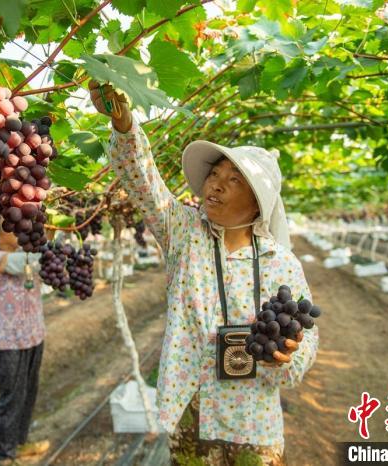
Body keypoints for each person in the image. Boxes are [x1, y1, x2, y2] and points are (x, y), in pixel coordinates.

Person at [89, 81, 319, 466]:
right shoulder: (184, 234)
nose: (216, 184)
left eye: (234, 180)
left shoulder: (281, 263)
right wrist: (125, 125)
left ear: (258, 203)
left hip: (253, 423)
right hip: (191, 417)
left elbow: (305, 345)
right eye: (216, 174)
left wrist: (286, 356)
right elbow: (143, 184)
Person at [0, 230, 49, 465]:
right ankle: (6, 455)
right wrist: (48, 247)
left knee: (29, 393)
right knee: (11, 397)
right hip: (9, 342)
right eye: (11, 227)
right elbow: (20, 263)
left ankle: (21, 444)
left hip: (34, 335)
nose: (19, 231)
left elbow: (42, 262)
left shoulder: (28, 253)